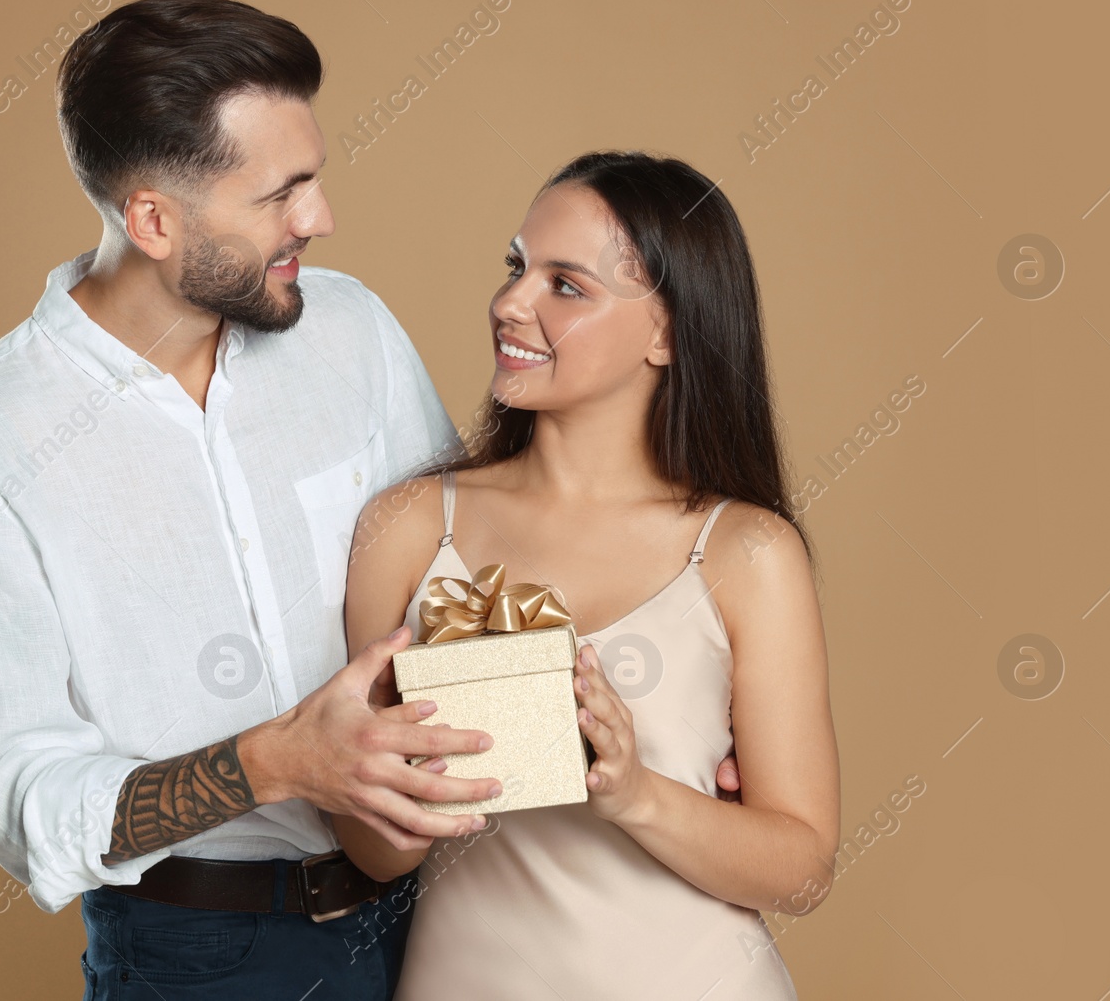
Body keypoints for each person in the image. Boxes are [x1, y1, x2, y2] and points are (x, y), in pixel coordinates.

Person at [0, 0, 743, 998]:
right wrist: (274, 762)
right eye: (279, 195)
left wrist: (674, 723)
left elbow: (465, 573)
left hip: (456, 916)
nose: (320, 218)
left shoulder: (351, 332)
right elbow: (27, 803)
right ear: (154, 220)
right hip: (205, 956)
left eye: (315, 179)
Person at [336, 152, 840, 999]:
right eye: (516, 268)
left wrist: (634, 789)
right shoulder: (413, 526)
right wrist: (413, 771)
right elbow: (374, 852)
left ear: (667, 332)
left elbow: (803, 871)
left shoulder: (744, 552)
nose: (510, 303)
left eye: (566, 286)